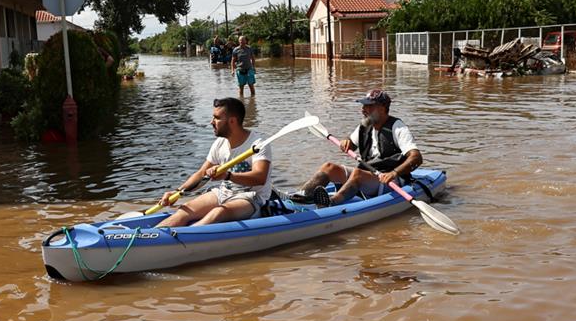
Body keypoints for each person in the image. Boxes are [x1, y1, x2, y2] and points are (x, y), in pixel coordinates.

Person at [289, 88, 421, 207]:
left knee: (357, 174)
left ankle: (331, 202)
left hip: (389, 179)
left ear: (382, 107)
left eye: (369, 106)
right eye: (363, 105)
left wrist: (394, 173)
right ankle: (302, 195)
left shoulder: (397, 127)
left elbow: (416, 157)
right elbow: (351, 143)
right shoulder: (365, 125)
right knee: (328, 167)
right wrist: (346, 141)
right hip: (369, 174)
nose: (363, 109)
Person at [156, 97, 272, 227]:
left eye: (216, 118)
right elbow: (201, 174)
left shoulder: (258, 144)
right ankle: (148, 238)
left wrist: (228, 176)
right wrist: (178, 192)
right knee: (184, 210)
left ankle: (186, 240)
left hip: (251, 198)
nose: (212, 122)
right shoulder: (219, 143)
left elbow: (260, 177)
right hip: (223, 193)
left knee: (218, 212)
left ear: (232, 121)